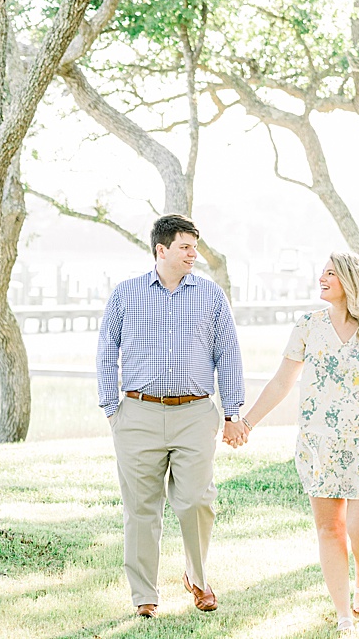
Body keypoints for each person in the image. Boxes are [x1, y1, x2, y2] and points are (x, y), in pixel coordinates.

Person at [237, 251, 359, 633]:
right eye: (322, 272)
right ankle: (343, 613)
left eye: (330, 273)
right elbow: (282, 381)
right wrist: (248, 421)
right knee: (329, 528)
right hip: (320, 444)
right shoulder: (308, 326)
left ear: (349, 280)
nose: (322, 278)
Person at [96, 214, 246, 618]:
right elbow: (107, 350)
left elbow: (228, 355)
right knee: (141, 509)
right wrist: (112, 408)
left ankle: (197, 577)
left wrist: (232, 413)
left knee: (196, 501)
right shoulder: (126, 294)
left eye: (195, 248)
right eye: (185, 247)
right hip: (137, 414)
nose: (193, 255)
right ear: (161, 250)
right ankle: (144, 595)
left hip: (195, 414)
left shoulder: (211, 296)